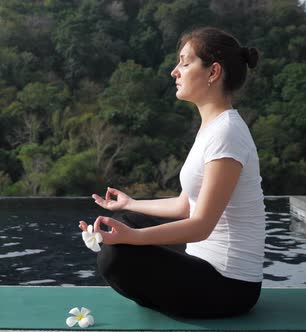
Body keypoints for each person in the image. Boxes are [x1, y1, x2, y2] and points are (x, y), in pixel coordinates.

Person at [79, 27, 265, 318]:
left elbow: (201, 225)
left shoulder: (227, 133)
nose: (174, 71)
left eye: (184, 62)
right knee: (126, 220)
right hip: (201, 261)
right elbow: (185, 205)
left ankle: (169, 298)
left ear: (213, 72)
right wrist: (130, 204)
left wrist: (132, 239)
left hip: (230, 286)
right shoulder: (212, 128)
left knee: (117, 254)